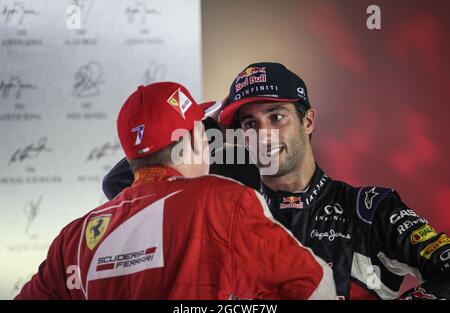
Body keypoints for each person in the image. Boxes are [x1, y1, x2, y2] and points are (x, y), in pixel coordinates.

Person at [103, 64, 450, 300]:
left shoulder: (368, 209)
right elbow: (122, 184)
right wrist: (203, 123)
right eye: (250, 124)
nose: (263, 134)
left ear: (308, 121)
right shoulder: (224, 210)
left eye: (276, 116)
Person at [15, 82, 336, 300]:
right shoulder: (223, 201)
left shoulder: (72, 239)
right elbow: (316, 286)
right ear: (196, 141)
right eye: (203, 132)